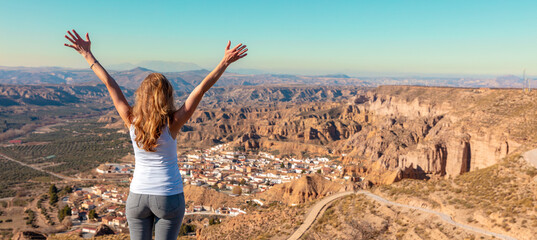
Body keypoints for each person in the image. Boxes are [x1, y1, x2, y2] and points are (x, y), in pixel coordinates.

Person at [64, 29, 247, 240]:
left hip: (137, 198)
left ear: (141, 96)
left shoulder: (131, 119)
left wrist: (87, 55)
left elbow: (110, 84)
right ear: (167, 97)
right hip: (168, 196)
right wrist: (224, 62)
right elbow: (200, 90)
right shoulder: (173, 123)